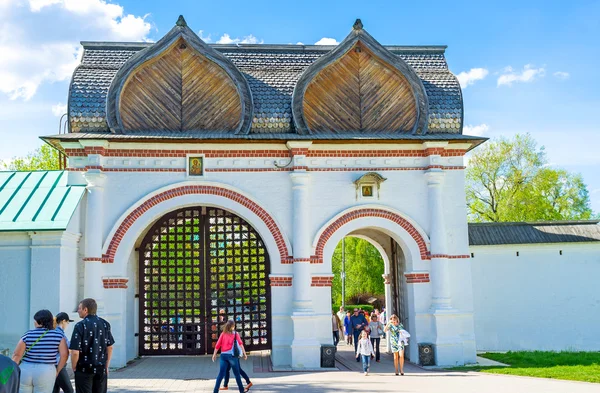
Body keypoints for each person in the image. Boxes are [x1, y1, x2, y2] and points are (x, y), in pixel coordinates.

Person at [12, 309, 68, 393]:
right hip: (46, 370)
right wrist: (57, 371)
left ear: (39, 321)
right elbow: (64, 355)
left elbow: (17, 355)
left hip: (25, 369)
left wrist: (11, 371)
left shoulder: (28, 334)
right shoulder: (58, 336)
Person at [70, 298, 115, 393]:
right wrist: (106, 365)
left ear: (85, 310)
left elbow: (75, 351)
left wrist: (73, 366)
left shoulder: (80, 326)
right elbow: (110, 346)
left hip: (83, 368)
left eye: (79, 308)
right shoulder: (105, 324)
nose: (78, 311)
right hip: (100, 367)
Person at [212, 320, 248, 393]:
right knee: (237, 374)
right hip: (232, 356)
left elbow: (217, 345)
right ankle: (241, 390)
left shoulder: (223, 334)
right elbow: (240, 344)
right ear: (232, 326)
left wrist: (214, 354)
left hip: (223, 356)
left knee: (221, 374)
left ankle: (215, 391)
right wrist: (244, 354)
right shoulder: (235, 334)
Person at [53, 312, 74, 393]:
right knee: (69, 390)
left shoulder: (54, 331)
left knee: (55, 390)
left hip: (53, 364)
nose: (67, 325)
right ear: (63, 321)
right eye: (68, 322)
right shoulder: (59, 333)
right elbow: (68, 348)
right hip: (59, 365)